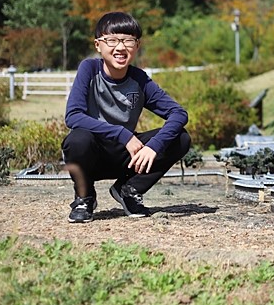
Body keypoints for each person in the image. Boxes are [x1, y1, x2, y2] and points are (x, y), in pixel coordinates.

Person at [62, 12, 190, 223]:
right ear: (98, 45)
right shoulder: (89, 69)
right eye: (111, 40)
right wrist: (122, 134)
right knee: (77, 139)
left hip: (128, 158)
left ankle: (128, 190)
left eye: (128, 40)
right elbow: (73, 116)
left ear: (137, 46)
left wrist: (153, 146)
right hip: (93, 154)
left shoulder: (139, 79)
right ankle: (84, 197)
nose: (120, 47)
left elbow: (178, 113)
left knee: (181, 138)